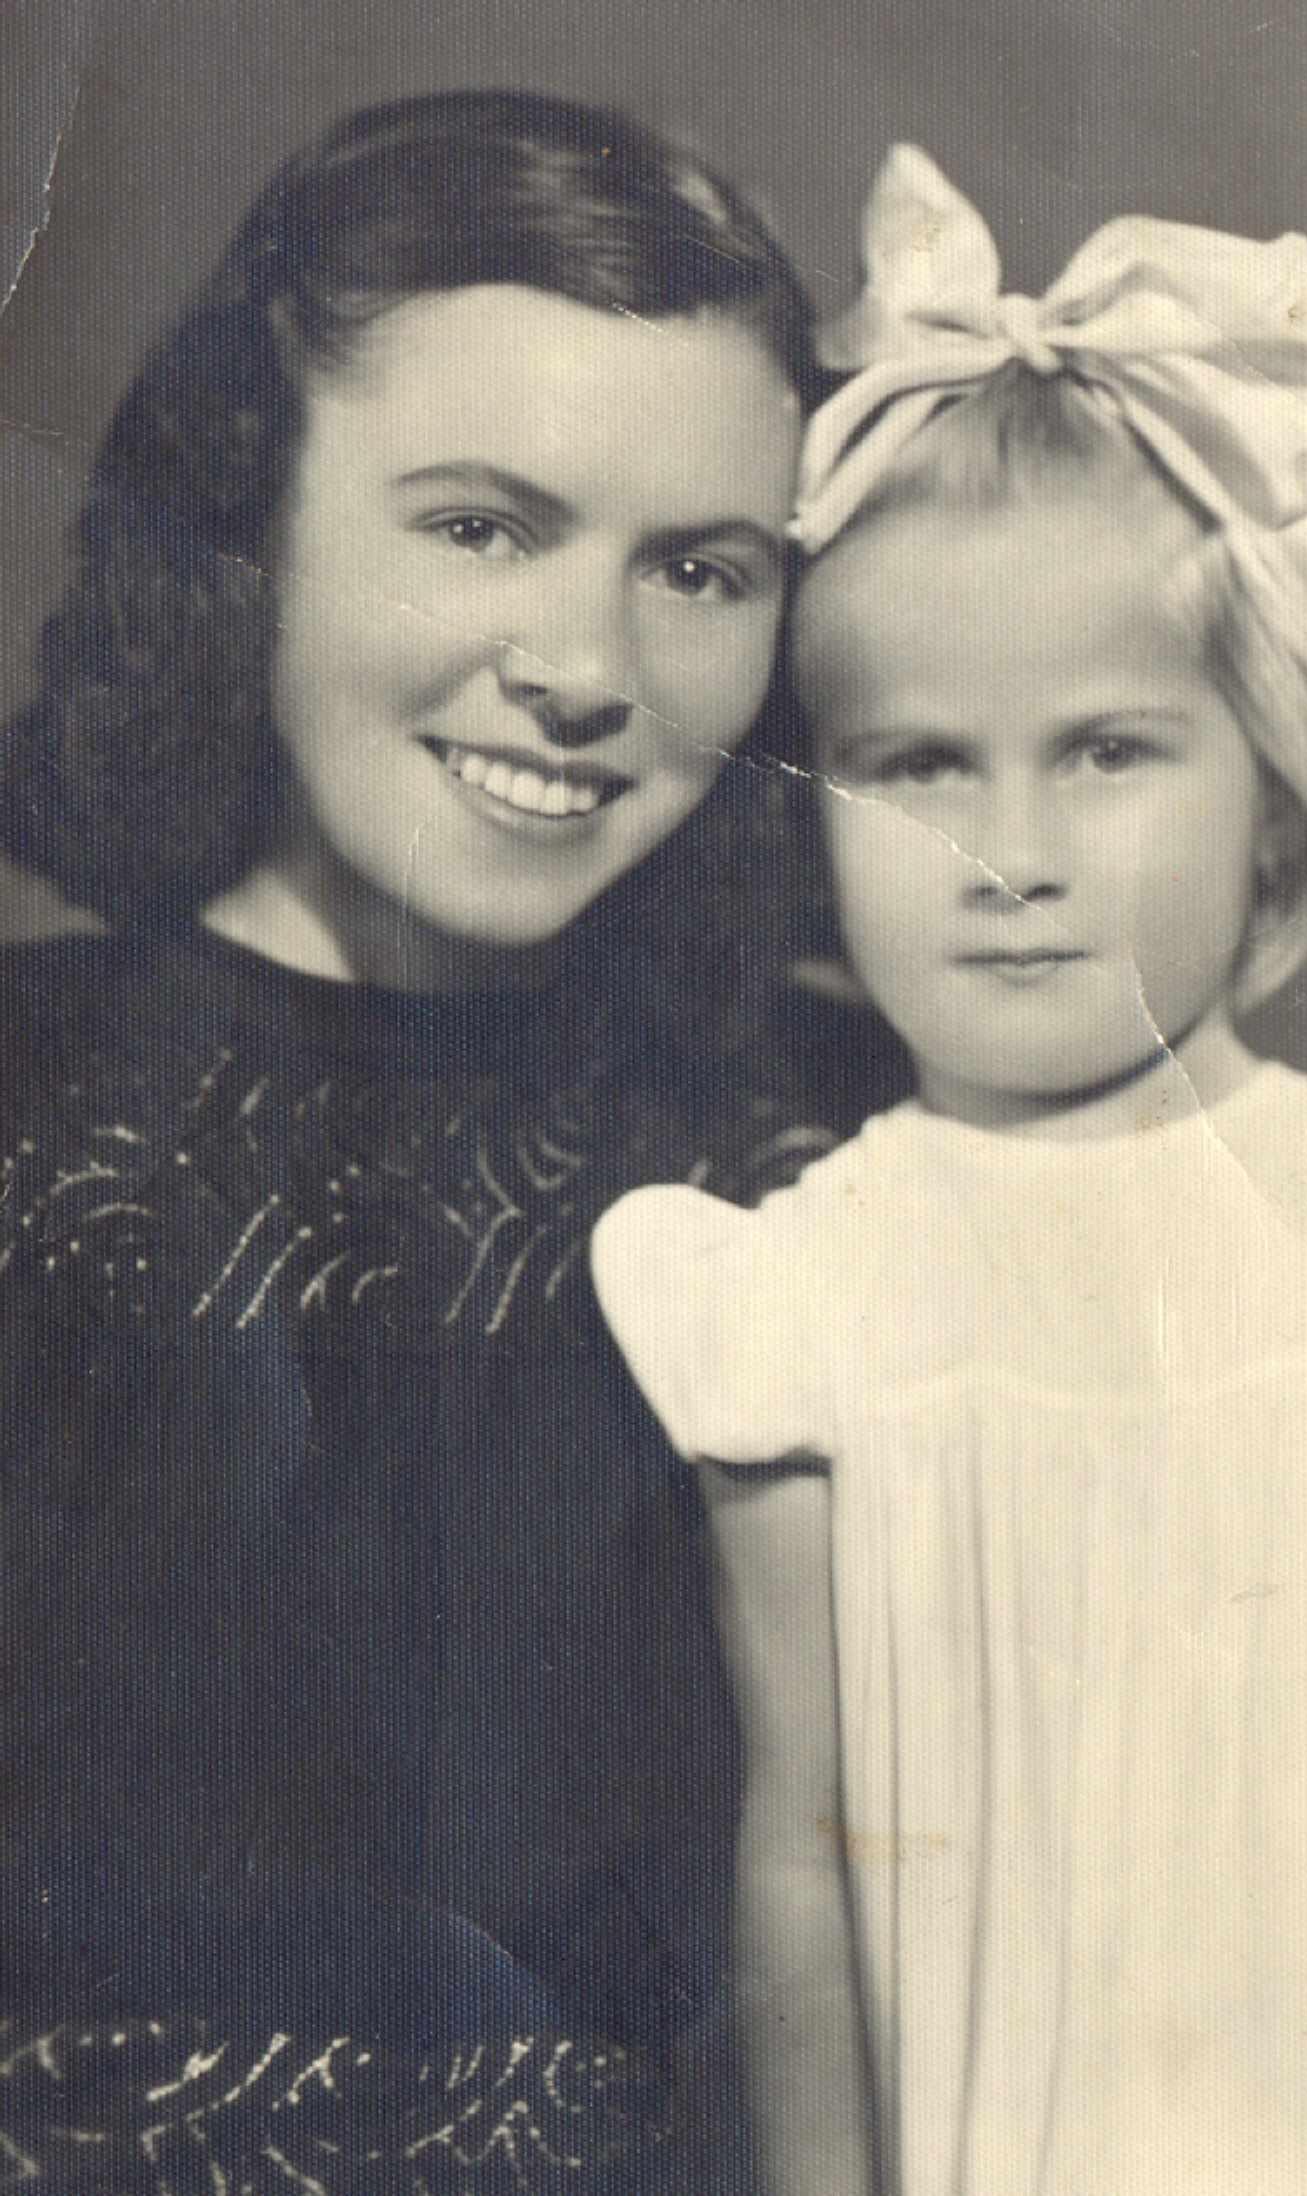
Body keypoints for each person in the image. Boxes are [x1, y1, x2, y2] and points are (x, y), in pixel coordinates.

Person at [0, 90, 889, 2192]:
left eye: (699, 570)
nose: (583, 672)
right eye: (480, 527)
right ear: (247, 515)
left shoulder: (856, 1149)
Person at [593, 147, 1307, 2195]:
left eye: (1104, 749)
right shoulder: (792, 1290)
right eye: (917, 763)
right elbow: (803, 1861)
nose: (1008, 854)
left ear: (1273, 793)